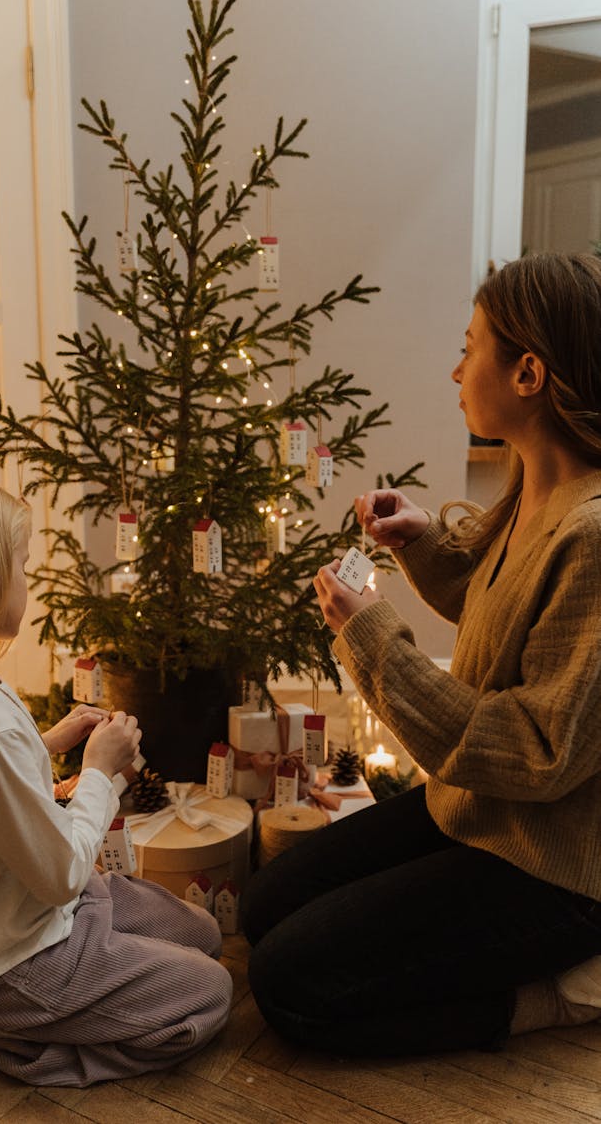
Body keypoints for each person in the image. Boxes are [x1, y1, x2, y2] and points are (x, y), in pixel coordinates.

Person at [242, 251, 601, 1056]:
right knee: (263, 908)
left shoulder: (594, 535)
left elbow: (536, 750)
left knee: (290, 987)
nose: (455, 369)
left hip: (554, 866)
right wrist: (428, 544)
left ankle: (553, 995)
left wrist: (371, 636)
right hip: (476, 811)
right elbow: (504, 607)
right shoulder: (535, 492)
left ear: (528, 374)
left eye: (470, 347)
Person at [0, 469, 232, 1087]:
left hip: (31, 915)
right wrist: (96, 771)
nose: (25, 582)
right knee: (210, 993)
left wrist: (48, 744)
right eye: (20, 567)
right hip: (17, 961)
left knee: (203, 933)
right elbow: (61, 873)